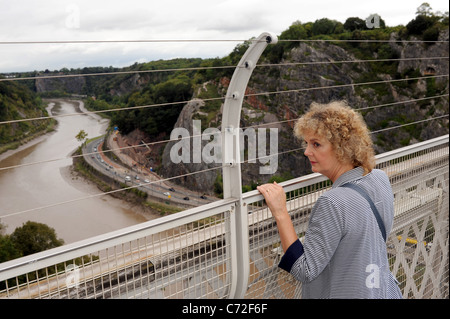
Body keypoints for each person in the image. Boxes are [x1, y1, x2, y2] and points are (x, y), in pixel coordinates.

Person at [257, 101, 402, 299]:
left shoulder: (332, 202)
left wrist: (281, 212)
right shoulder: (379, 178)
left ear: (343, 147)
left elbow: (304, 269)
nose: (307, 151)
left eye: (316, 144)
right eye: (306, 143)